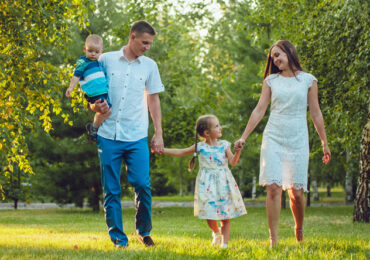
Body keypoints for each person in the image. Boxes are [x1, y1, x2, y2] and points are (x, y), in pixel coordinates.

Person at [234, 40, 331, 248]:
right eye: (273, 57)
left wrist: (324, 142)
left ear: (289, 52)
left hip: (298, 137)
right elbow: (259, 110)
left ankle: (299, 229)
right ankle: (273, 239)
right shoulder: (271, 81)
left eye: (278, 55)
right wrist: (244, 136)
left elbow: (315, 113)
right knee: (273, 188)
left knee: (296, 192)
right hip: (274, 137)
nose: (276, 60)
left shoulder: (308, 80)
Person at [90, 21, 164, 248]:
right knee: (111, 189)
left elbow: (153, 98)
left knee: (142, 184)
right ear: (132, 37)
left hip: (136, 136)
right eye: (144, 42)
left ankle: (144, 231)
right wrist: (95, 107)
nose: (147, 47)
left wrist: (158, 132)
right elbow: (93, 92)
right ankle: (118, 239)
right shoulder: (106, 60)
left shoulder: (149, 66)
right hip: (108, 134)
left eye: (150, 43)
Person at [163, 115, 247, 249]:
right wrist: (163, 150)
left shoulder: (225, 145)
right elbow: (181, 152)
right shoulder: (200, 147)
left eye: (219, 125)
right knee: (209, 213)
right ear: (207, 133)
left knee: (225, 216)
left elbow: (233, 162)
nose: (220, 128)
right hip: (206, 185)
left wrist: (238, 152)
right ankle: (216, 232)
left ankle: (224, 245)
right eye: (216, 126)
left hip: (223, 183)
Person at [65, 34, 112, 140]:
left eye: (97, 52)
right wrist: (71, 88)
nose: (93, 54)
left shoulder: (99, 63)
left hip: (103, 92)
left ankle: (95, 127)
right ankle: (94, 128)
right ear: (85, 49)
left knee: (106, 110)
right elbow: (76, 75)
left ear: (101, 52)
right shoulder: (83, 63)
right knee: (107, 111)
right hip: (95, 93)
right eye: (90, 51)